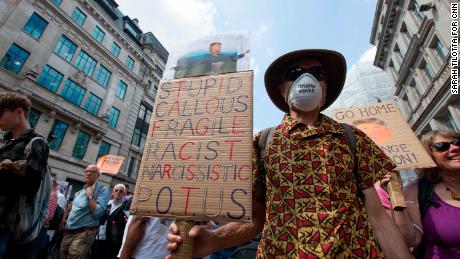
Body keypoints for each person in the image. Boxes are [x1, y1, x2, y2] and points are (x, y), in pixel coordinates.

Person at [166, 49, 412, 258]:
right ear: (282, 88)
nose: (307, 78)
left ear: (325, 88)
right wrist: (214, 239)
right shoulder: (260, 143)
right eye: (295, 74)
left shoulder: (352, 138)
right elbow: (255, 220)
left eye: (318, 73)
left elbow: (378, 218)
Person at [393, 130, 460, 258]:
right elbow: (411, 239)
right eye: (442, 146)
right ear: (429, 156)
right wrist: (395, 194)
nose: (455, 148)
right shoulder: (417, 190)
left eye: (458, 142)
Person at [0, 92, 50, 258]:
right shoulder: (6, 143)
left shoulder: (37, 144)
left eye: (1, 113)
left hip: (7, 228)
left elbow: (29, 186)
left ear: (19, 113)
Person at [59, 164, 110, 259]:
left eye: (92, 172)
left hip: (83, 234)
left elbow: (98, 212)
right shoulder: (80, 191)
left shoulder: (102, 190)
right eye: (86, 171)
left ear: (98, 175)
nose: (88, 173)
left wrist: (90, 197)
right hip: (68, 232)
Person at [91, 184, 129, 259]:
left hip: (113, 241)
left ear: (124, 194)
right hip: (99, 237)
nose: (118, 192)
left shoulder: (125, 208)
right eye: (116, 190)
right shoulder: (107, 204)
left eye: (121, 191)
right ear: (113, 192)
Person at [174, 42, 248, 79]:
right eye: (216, 48)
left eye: (219, 48)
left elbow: (232, 58)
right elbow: (190, 63)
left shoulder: (221, 56)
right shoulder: (204, 57)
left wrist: (243, 54)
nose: (218, 50)